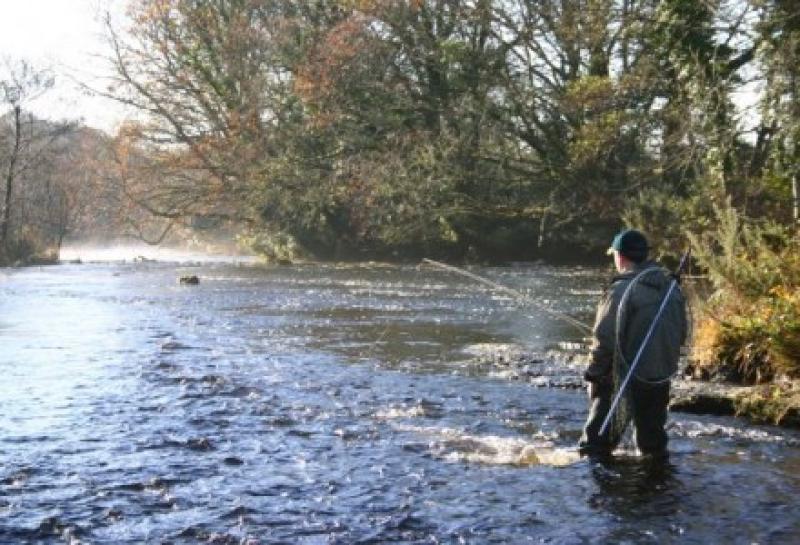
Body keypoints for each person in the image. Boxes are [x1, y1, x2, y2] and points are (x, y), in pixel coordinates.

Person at [579, 229, 688, 460]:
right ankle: (656, 490)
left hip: (623, 377)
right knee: (652, 447)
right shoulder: (671, 289)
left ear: (620, 256)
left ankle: (605, 491)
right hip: (659, 377)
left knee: (594, 447)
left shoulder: (620, 290)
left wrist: (594, 374)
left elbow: (604, 340)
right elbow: (681, 333)